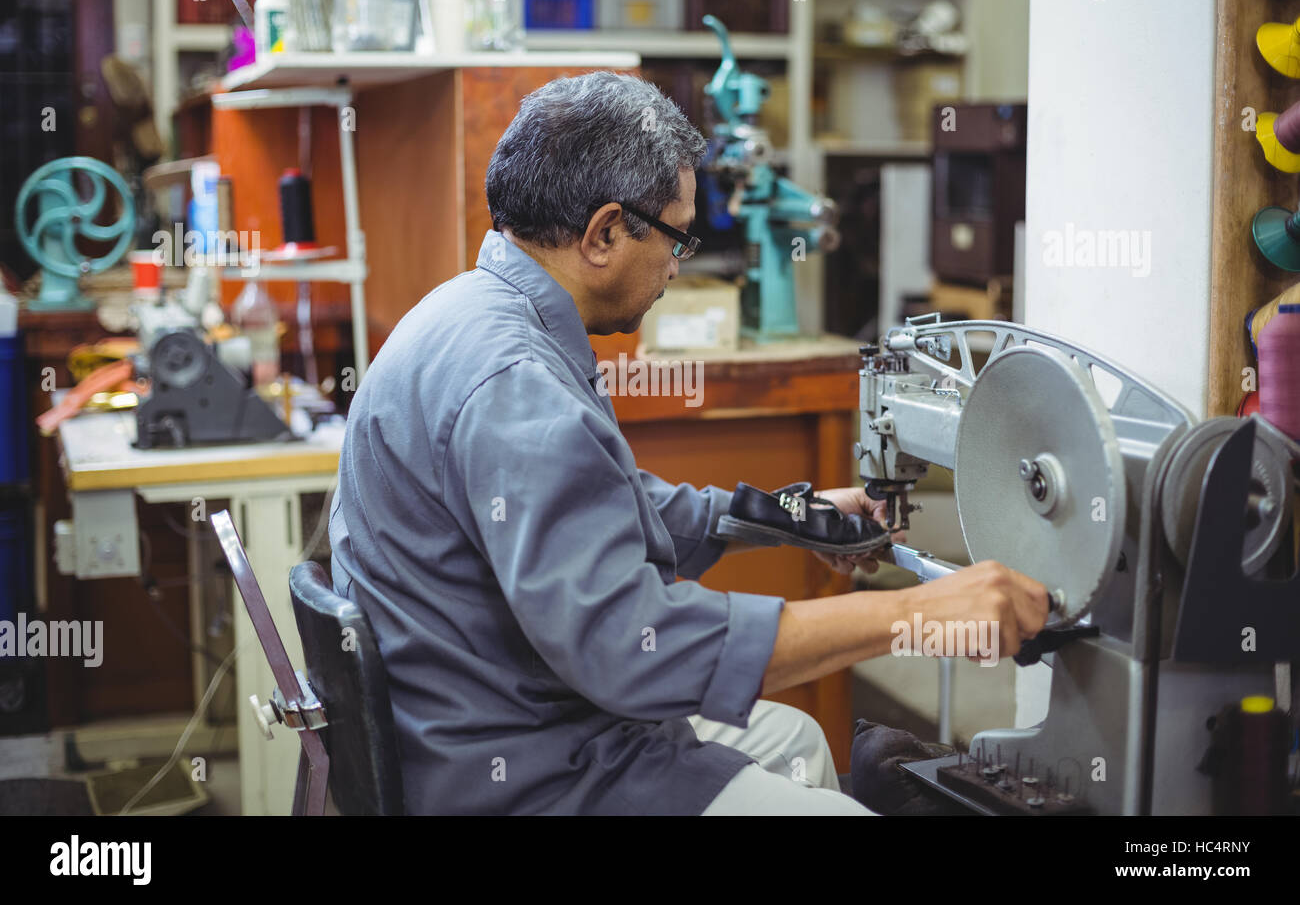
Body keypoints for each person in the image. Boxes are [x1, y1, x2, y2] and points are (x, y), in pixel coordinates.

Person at [328, 71, 1050, 815]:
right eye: (676, 237)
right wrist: (917, 615)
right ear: (606, 233)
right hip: (528, 770)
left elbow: (599, 507)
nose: (677, 265)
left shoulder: (471, 311)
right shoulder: (517, 382)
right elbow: (633, 645)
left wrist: (785, 517)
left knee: (798, 741)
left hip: (490, 714)